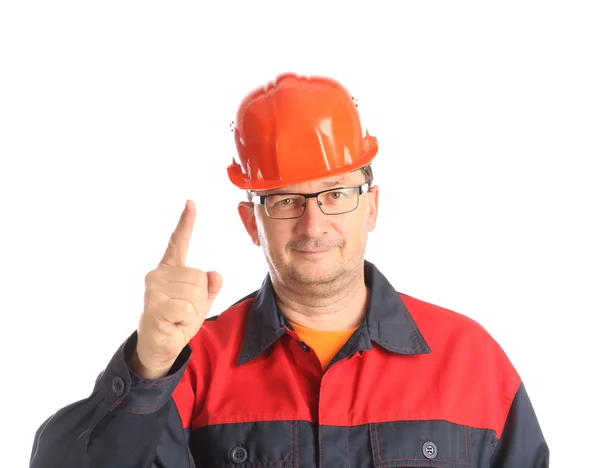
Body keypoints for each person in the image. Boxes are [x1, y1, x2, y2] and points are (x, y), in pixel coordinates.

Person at [29, 73, 549, 468]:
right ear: (251, 223)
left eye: (336, 193)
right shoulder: (191, 367)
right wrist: (146, 370)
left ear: (371, 207)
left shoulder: (470, 359)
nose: (313, 222)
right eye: (283, 201)